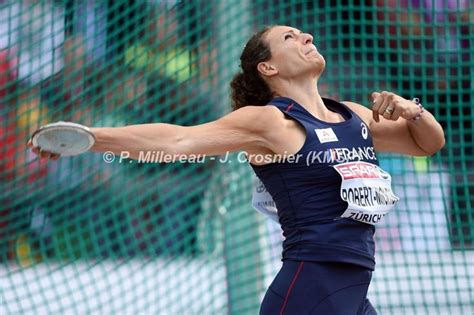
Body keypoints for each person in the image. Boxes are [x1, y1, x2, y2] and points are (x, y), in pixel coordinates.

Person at [28, 25, 445, 314]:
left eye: (302, 33)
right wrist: (92, 137)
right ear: (269, 68)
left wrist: (414, 111)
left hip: (351, 293)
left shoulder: (351, 115)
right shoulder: (271, 122)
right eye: (290, 38)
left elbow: (428, 143)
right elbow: (178, 140)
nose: (306, 37)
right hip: (309, 292)